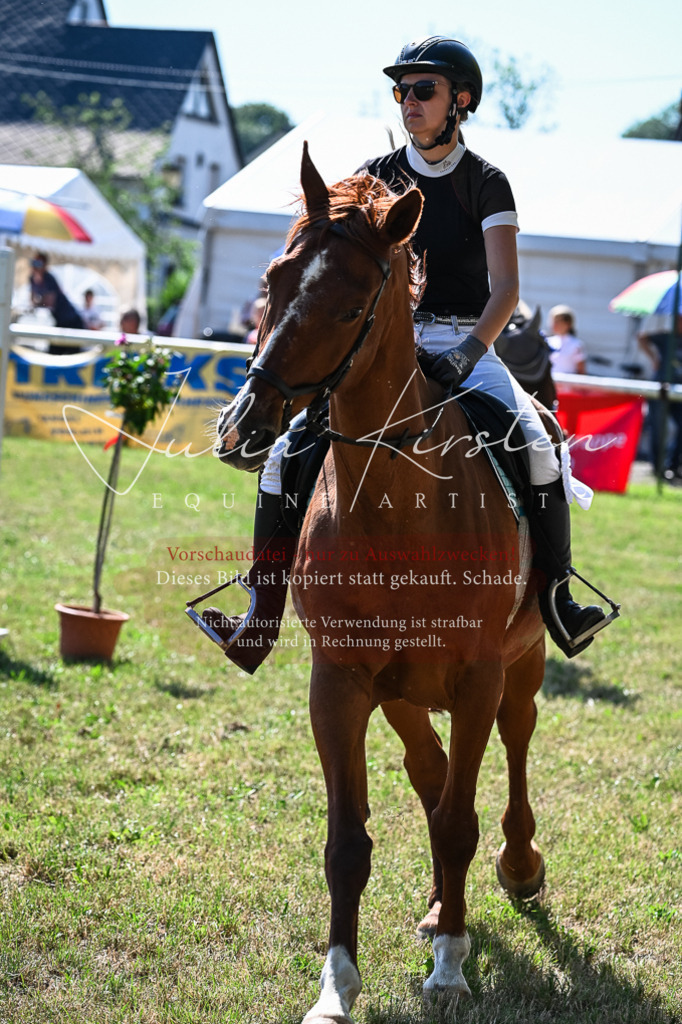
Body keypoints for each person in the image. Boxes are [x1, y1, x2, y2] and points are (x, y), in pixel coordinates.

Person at [201, 36, 612, 668]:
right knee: (286, 452)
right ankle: (261, 611)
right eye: (402, 91)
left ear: (460, 102)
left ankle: (557, 595)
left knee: (539, 444)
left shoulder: (487, 182)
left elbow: (506, 291)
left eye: (425, 90)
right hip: (380, 339)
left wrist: (470, 354)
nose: (409, 102)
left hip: (463, 340)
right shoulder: (375, 174)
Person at [637, 315, 682, 481]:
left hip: (679, 390)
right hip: (662, 388)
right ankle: (658, 467)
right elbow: (641, 337)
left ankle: (674, 464)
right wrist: (654, 357)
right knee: (658, 428)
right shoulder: (665, 336)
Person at [29, 252, 84, 354]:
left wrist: (39, 302)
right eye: (33, 262)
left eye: (38, 263)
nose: (35, 266)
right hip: (60, 321)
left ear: (45, 265)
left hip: (72, 321)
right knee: (54, 353)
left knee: (71, 356)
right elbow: (33, 301)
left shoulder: (49, 278)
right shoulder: (32, 278)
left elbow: (49, 302)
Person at [547, 304, 587, 374]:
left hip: (568, 384)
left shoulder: (576, 345)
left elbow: (581, 372)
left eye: (557, 321)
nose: (554, 324)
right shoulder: (548, 342)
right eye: (553, 321)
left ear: (568, 324)